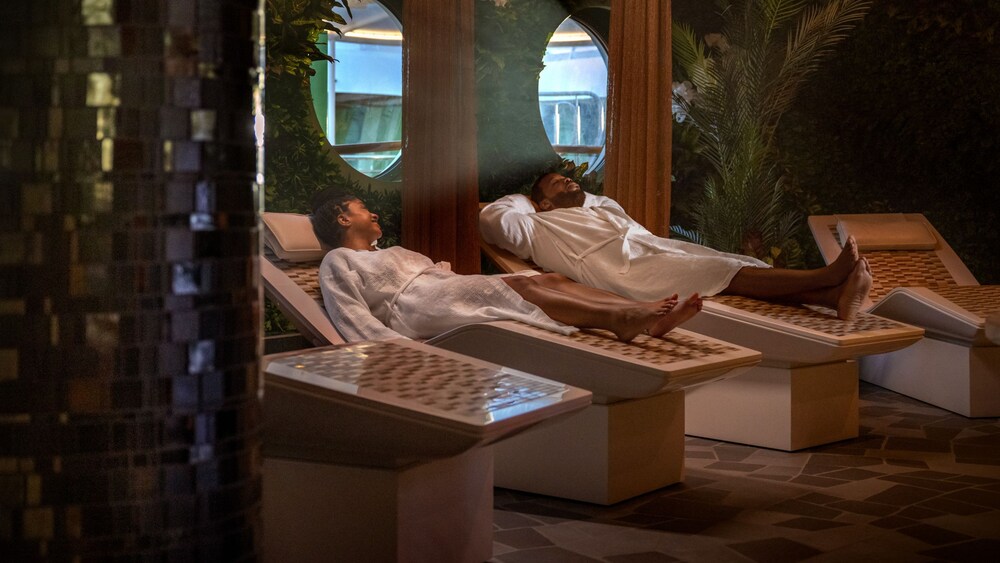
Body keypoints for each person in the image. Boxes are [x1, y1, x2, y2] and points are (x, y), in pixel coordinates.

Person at [311, 192, 703, 343]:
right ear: (343, 220)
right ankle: (620, 318)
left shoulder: (387, 250)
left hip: (438, 288)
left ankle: (646, 317)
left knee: (546, 278)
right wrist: (394, 350)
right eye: (363, 208)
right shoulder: (337, 260)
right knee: (523, 287)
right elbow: (350, 314)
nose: (373, 211)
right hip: (417, 307)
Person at [480, 172, 873, 321]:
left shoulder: (600, 207)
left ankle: (831, 297)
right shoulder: (535, 224)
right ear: (542, 202)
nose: (568, 181)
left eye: (569, 178)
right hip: (623, 271)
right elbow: (491, 220)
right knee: (722, 274)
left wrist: (578, 197)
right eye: (557, 183)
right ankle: (826, 276)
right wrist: (527, 202)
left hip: (651, 250)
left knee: (731, 262)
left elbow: (608, 210)